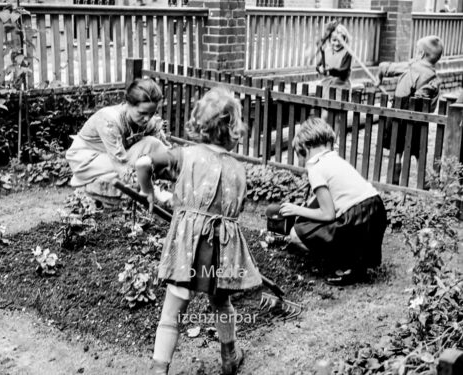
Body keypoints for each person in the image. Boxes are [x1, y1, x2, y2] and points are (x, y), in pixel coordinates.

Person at [135, 87, 263, 375]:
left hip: (189, 246)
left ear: (200, 124)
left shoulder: (186, 155)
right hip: (222, 248)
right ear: (233, 129)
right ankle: (229, 357)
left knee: (175, 305)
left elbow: (143, 163)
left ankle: (159, 368)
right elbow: (228, 208)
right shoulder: (239, 170)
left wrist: (150, 193)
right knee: (221, 300)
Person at [279, 117, 387, 286]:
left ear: (305, 148)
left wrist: (296, 210)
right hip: (375, 209)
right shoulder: (333, 159)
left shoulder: (315, 168)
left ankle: (345, 266)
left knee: (296, 234)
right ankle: (356, 263)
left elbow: (327, 214)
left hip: (358, 217)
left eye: (300, 155)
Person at [66, 78, 171, 206]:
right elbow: (122, 165)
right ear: (128, 104)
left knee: (153, 145)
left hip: (113, 157)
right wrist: (149, 188)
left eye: (152, 113)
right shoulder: (109, 121)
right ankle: (157, 196)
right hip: (88, 159)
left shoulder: (149, 121)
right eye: (142, 113)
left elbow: (164, 149)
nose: (147, 118)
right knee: (148, 148)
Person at [377, 35, 444, 184]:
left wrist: (378, 79)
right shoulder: (435, 80)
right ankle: (425, 181)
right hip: (418, 122)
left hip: (398, 117)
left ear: (420, 54)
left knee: (397, 151)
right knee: (419, 152)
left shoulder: (410, 67)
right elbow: (432, 108)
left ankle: (394, 182)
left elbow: (383, 67)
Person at [316, 23, 353, 90]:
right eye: (334, 40)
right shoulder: (327, 51)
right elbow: (319, 65)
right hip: (326, 86)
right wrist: (319, 69)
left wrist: (329, 71)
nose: (337, 43)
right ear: (329, 40)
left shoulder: (347, 53)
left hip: (341, 88)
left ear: (345, 40)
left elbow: (343, 72)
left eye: (339, 41)